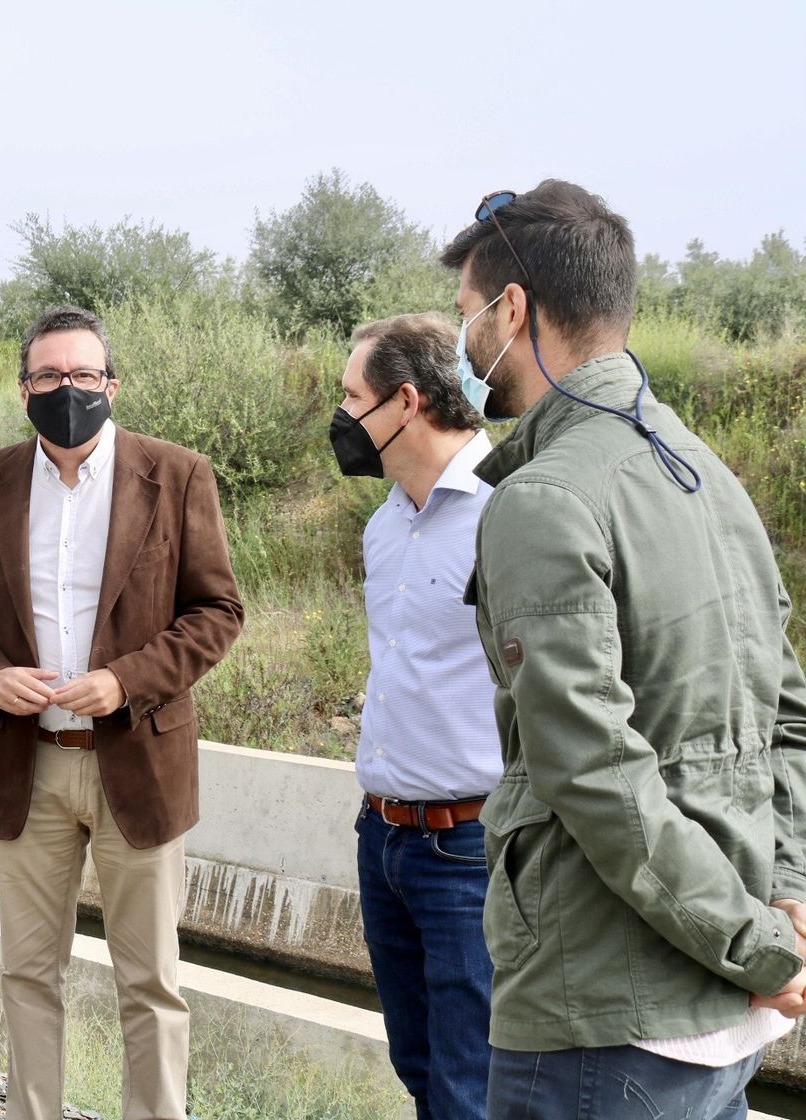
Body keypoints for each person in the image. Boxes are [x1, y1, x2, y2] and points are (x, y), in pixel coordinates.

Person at [443, 180, 806, 1118]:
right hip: (719, 1014)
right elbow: (789, 717)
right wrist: (786, 905)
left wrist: (760, 948)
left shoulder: (545, 498)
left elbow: (592, 769)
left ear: (511, 308)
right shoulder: (708, 478)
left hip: (599, 1019)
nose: (466, 345)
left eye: (466, 317)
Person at [0, 305, 243, 1120]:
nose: (65, 389)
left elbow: (217, 612)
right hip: (26, 765)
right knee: (29, 973)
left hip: (137, 760)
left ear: (111, 383)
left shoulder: (177, 475)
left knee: (149, 980)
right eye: (47, 376)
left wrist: (128, 680)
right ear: (23, 387)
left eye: (82, 375)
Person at [331, 312, 501, 1119]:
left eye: (350, 396)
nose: (340, 418)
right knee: (422, 1068)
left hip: (470, 848)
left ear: (406, 401)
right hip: (385, 838)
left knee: (475, 1086)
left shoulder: (510, 507)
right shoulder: (385, 523)